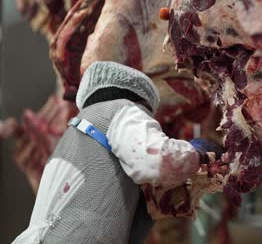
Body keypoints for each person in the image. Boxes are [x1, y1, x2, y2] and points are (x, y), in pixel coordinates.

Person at [13, 61, 223, 243]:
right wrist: (197, 152)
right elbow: (164, 159)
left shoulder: (75, 138)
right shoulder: (123, 109)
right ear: (142, 101)